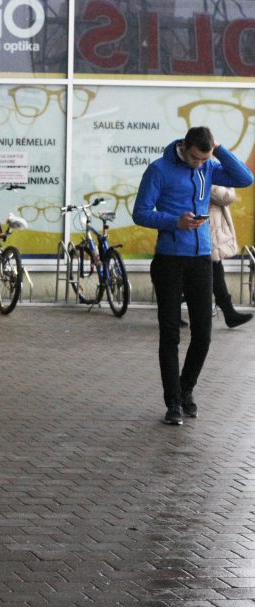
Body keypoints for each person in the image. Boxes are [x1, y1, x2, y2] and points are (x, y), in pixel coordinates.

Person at [133, 126, 253, 426]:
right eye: (195, 158)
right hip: (170, 260)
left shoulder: (210, 166)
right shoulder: (158, 170)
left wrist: (219, 150)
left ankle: (186, 390)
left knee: (203, 334)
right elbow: (140, 212)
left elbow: (245, 178)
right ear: (184, 147)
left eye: (204, 157)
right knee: (170, 333)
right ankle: (172, 402)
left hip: (202, 259)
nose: (198, 163)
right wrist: (175, 221)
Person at [209, 185, 252, 328]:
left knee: (214, 270)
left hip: (211, 230)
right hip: (208, 231)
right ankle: (229, 313)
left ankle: (229, 313)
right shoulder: (205, 172)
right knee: (212, 272)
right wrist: (228, 185)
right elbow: (225, 197)